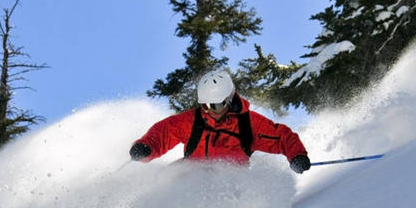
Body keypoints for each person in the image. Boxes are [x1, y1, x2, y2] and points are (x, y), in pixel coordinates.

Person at [129, 70, 311, 173]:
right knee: (165, 178)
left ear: (229, 100)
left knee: (223, 187)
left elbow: (282, 137)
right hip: (191, 174)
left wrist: (297, 156)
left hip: (229, 180)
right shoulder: (193, 121)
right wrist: (146, 147)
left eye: (215, 105)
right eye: (205, 105)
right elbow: (164, 132)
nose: (209, 111)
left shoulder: (247, 124)